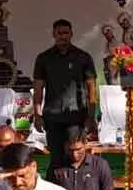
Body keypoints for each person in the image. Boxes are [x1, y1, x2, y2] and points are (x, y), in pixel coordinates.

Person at [33, 19, 98, 174]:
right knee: (56, 159)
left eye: (66, 33)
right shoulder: (44, 58)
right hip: (53, 117)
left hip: (76, 117)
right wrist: (37, 115)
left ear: (71, 34)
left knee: (74, 157)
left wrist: (91, 116)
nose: (63, 36)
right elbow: (38, 88)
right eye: (59, 33)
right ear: (53, 34)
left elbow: (92, 89)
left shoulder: (83, 57)